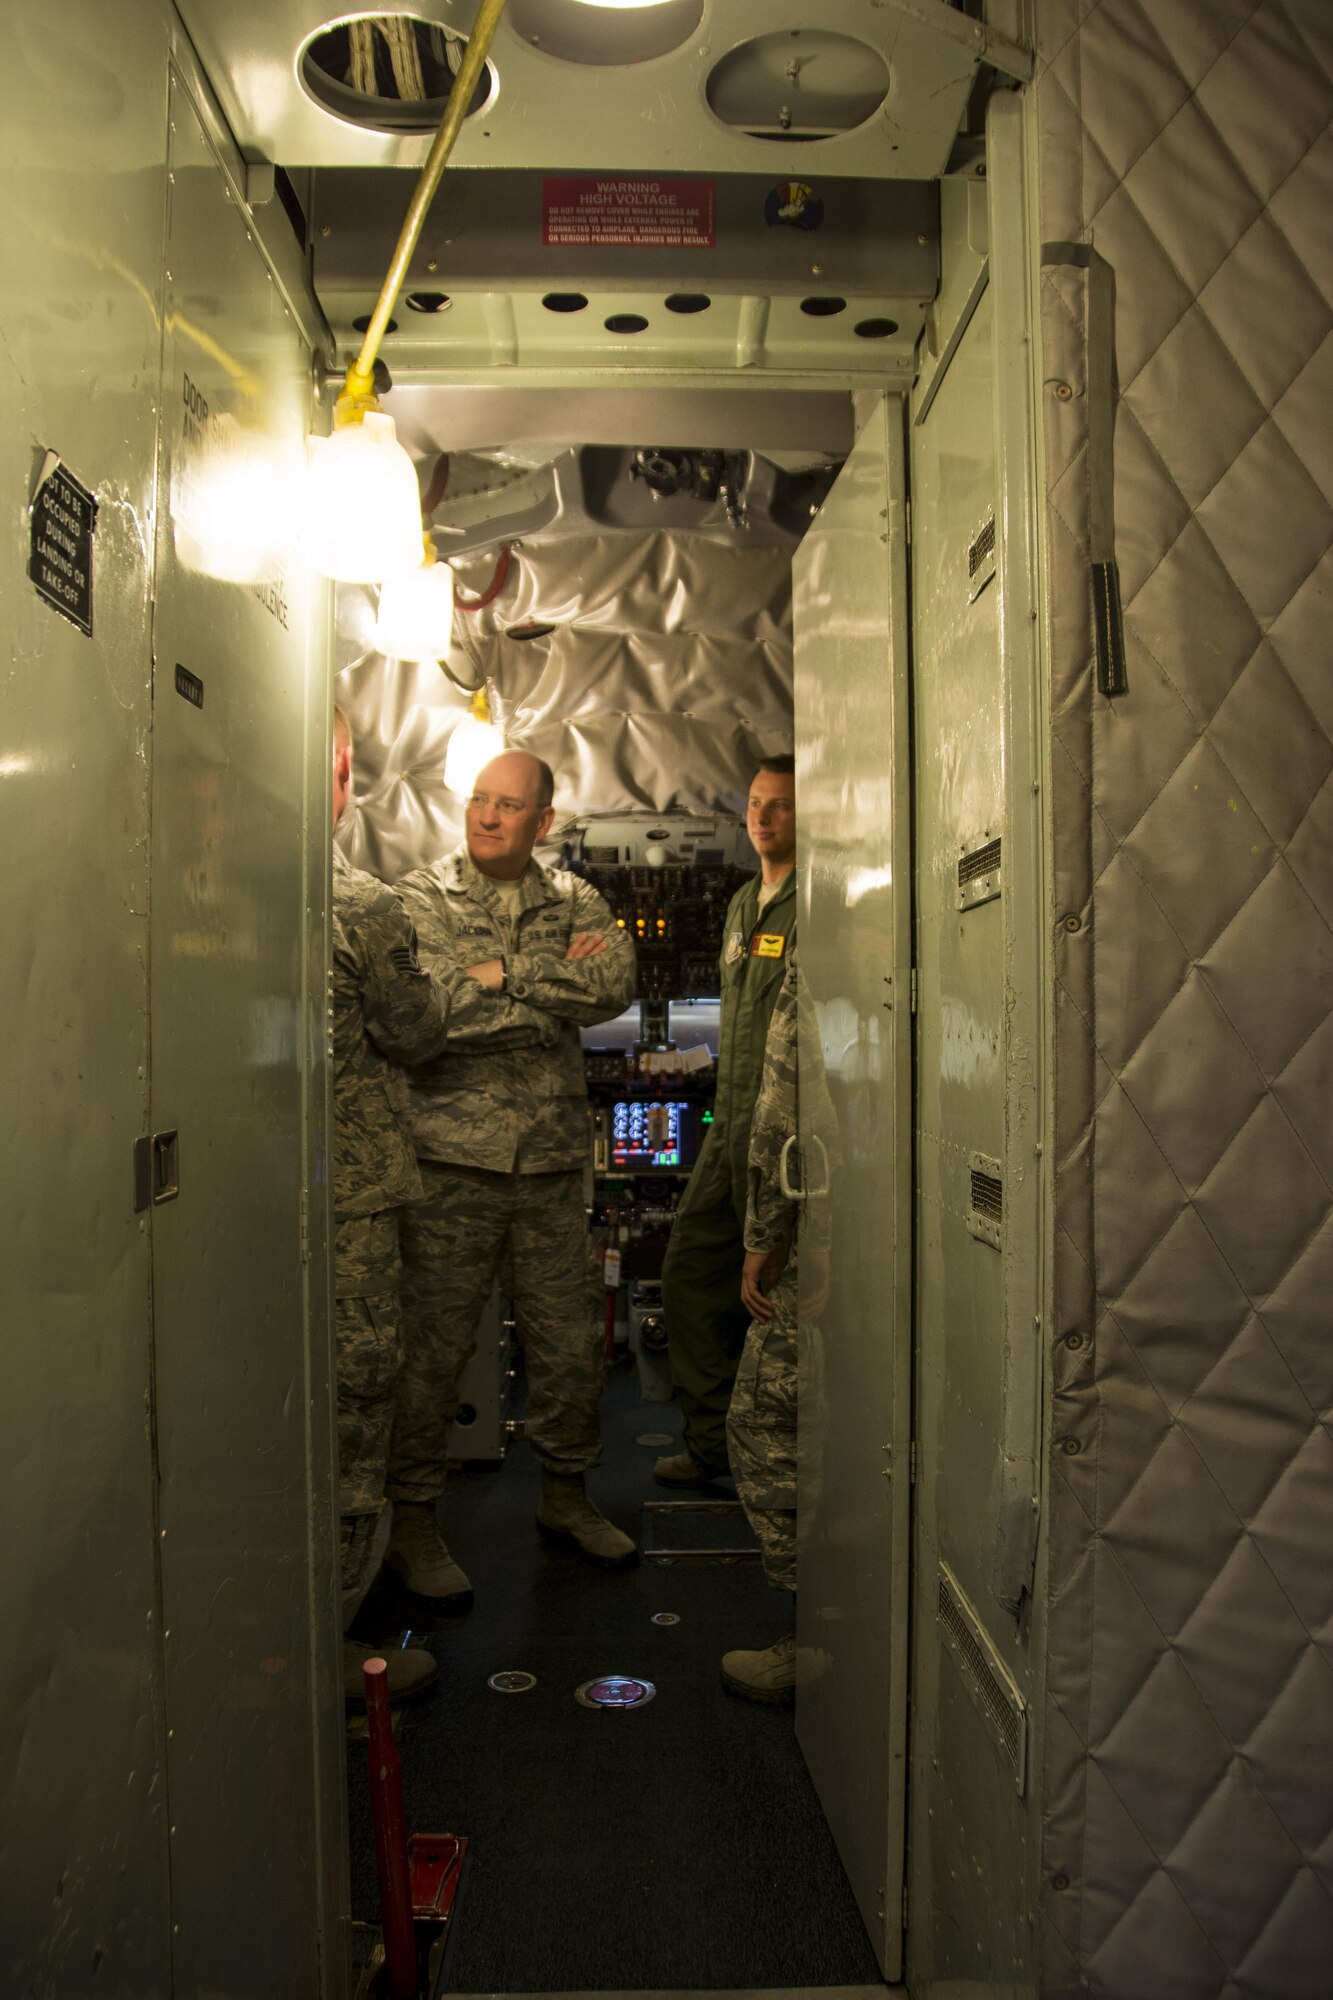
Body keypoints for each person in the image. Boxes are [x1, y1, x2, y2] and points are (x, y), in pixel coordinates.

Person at [385, 749, 639, 1596]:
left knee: (569, 1347)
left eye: (508, 806)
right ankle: (414, 1522)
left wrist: (513, 974)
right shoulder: (419, 898)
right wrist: (531, 1010)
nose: (487, 817)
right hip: (449, 1163)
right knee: (432, 1351)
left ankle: (565, 1496)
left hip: (549, 1165)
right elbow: (424, 1011)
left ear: (544, 822)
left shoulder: (571, 899)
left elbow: (612, 984)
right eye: (479, 801)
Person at [330, 705, 452, 1706]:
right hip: (349, 1213)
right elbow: (418, 1028)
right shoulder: (366, 909)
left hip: (237, 1209)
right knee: (355, 1409)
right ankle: (335, 1650)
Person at [657, 755, 797, 1487]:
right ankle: (713, 1445)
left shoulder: (815, 902)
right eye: (754, 803)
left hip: (783, 1134)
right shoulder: (744, 903)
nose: (762, 817)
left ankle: (780, 1464)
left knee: (776, 1296)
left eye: (778, 805)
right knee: (687, 1272)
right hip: (728, 1126)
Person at [720, 945, 833, 1703]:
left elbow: (780, 1109)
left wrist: (766, 1232)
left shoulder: (815, 939)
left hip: (821, 1224)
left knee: (763, 1421)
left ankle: (820, 1637)